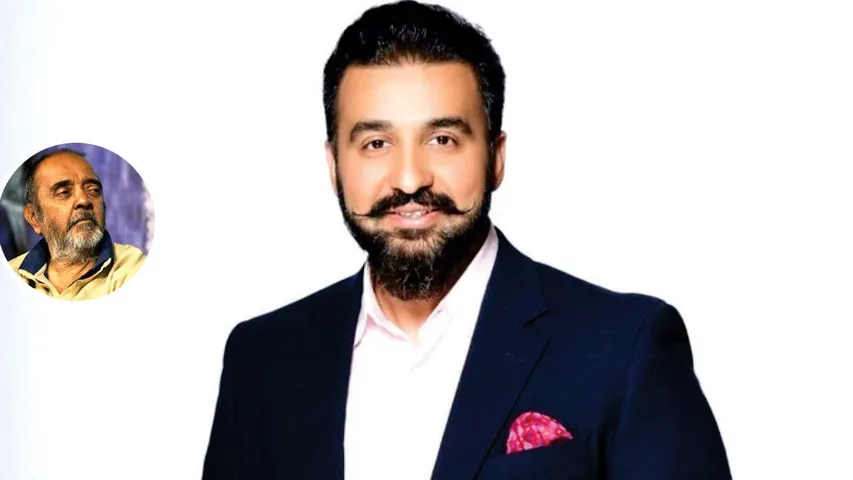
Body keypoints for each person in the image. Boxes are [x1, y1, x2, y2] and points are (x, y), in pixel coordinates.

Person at [202, 1, 731, 478]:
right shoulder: (262, 358)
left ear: (495, 156)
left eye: (442, 139)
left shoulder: (624, 348)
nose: (410, 178)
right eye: (376, 143)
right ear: (333, 164)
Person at [7, 148, 146, 301]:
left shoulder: (131, 267)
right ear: (34, 217)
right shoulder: (11, 276)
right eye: (64, 192)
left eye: (93, 190)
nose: (84, 200)